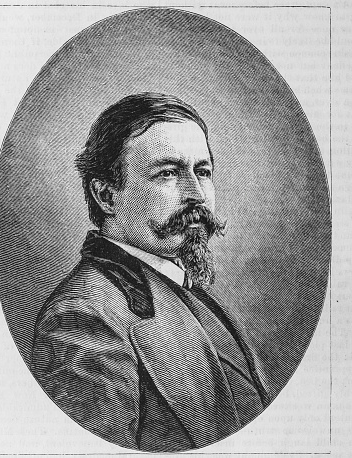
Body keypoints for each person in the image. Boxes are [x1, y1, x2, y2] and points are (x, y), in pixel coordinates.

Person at [31, 93, 271, 452]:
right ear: (107, 196)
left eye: (202, 172)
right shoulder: (83, 314)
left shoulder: (185, 288)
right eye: (168, 173)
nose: (196, 195)